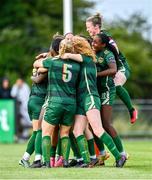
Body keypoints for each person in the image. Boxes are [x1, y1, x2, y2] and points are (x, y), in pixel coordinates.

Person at [61, 36, 127, 168]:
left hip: (90, 96)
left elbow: (66, 56)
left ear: (78, 47)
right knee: (77, 131)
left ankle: (119, 156)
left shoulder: (86, 58)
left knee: (98, 129)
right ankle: (86, 161)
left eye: (73, 45)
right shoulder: (84, 59)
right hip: (81, 99)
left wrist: (59, 54)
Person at [33, 38, 81, 168]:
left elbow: (37, 63)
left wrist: (43, 64)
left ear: (60, 49)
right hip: (71, 103)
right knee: (65, 133)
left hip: (55, 102)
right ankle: (65, 161)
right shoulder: (77, 66)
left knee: (46, 132)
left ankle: (47, 162)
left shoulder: (53, 62)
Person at [86, 13, 138, 124]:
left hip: (120, 68)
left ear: (96, 27)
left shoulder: (106, 37)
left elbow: (116, 51)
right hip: (107, 72)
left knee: (115, 84)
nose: (87, 30)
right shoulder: (92, 40)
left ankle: (132, 110)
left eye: (88, 27)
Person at [92, 33, 127, 162]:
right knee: (94, 124)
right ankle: (102, 153)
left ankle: (122, 153)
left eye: (96, 42)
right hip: (96, 91)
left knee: (106, 123)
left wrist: (97, 74)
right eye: (92, 41)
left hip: (107, 90)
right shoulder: (92, 52)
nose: (93, 44)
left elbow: (113, 70)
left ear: (103, 44)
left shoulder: (108, 54)